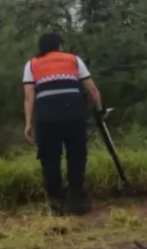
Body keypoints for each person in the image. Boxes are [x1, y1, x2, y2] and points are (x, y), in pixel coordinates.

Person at [22, 33, 103, 216]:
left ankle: (57, 205)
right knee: (77, 156)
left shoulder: (32, 64)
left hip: (46, 116)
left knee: (49, 159)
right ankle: (77, 201)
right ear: (59, 46)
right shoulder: (74, 60)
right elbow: (92, 89)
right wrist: (99, 109)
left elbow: (29, 96)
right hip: (73, 114)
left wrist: (28, 122)